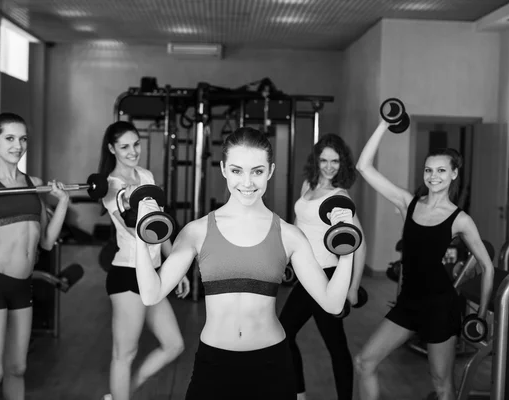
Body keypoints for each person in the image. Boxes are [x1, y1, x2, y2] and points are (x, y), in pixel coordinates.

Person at [134, 126, 358, 399]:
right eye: (238, 170)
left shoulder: (289, 235)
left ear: (271, 171)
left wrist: (347, 246)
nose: (248, 182)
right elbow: (151, 293)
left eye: (258, 171)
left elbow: (332, 303)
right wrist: (139, 235)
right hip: (213, 365)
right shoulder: (197, 231)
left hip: (272, 365)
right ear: (224, 169)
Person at [355, 119, 495, 400]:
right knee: (364, 361)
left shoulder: (460, 219)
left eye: (442, 170)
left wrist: (479, 317)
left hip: (439, 307)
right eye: (428, 170)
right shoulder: (408, 203)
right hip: (408, 303)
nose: (433, 176)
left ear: (454, 174)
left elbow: (487, 266)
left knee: (442, 384)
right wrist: (384, 123)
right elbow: (363, 167)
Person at [0, 112, 70, 400]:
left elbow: (46, 243)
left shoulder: (34, 183)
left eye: (22, 139)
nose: (17, 145)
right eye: (9, 138)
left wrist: (62, 204)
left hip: (23, 286)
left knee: (18, 368)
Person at [98, 121, 190, 400]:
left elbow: (159, 229)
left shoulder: (146, 175)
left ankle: (121, 394)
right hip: (127, 274)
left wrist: (177, 268)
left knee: (174, 345)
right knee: (124, 353)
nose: (132, 151)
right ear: (112, 149)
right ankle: (120, 394)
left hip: (154, 272)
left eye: (136, 144)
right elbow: (132, 229)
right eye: (124, 146)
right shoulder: (110, 188)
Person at [278, 133, 367, 400]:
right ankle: (300, 394)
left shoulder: (340, 197)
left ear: (343, 164)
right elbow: (298, 225)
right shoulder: (308, 184)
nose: (329, 166)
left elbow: (359, 244)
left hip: (326, 277)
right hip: (305, 275)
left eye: (335, 161)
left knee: (335, 346)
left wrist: (352, 287)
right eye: (324, 160)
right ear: (316, 161)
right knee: (285, 334)